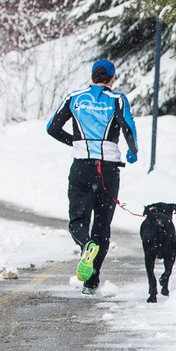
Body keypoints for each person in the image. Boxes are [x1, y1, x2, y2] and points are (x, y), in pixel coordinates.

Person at [46, 58, 139, 292]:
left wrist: (75, 142)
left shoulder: (74, 98)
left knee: (78, 220)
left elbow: (52, 128)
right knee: (102, 225)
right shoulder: (117, 100)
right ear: (112, 78)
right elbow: (128, 127)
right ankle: (92, 280)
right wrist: (133, 151)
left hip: (81, 168)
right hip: (108, 171)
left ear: (91, 76)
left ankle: (86, 245)